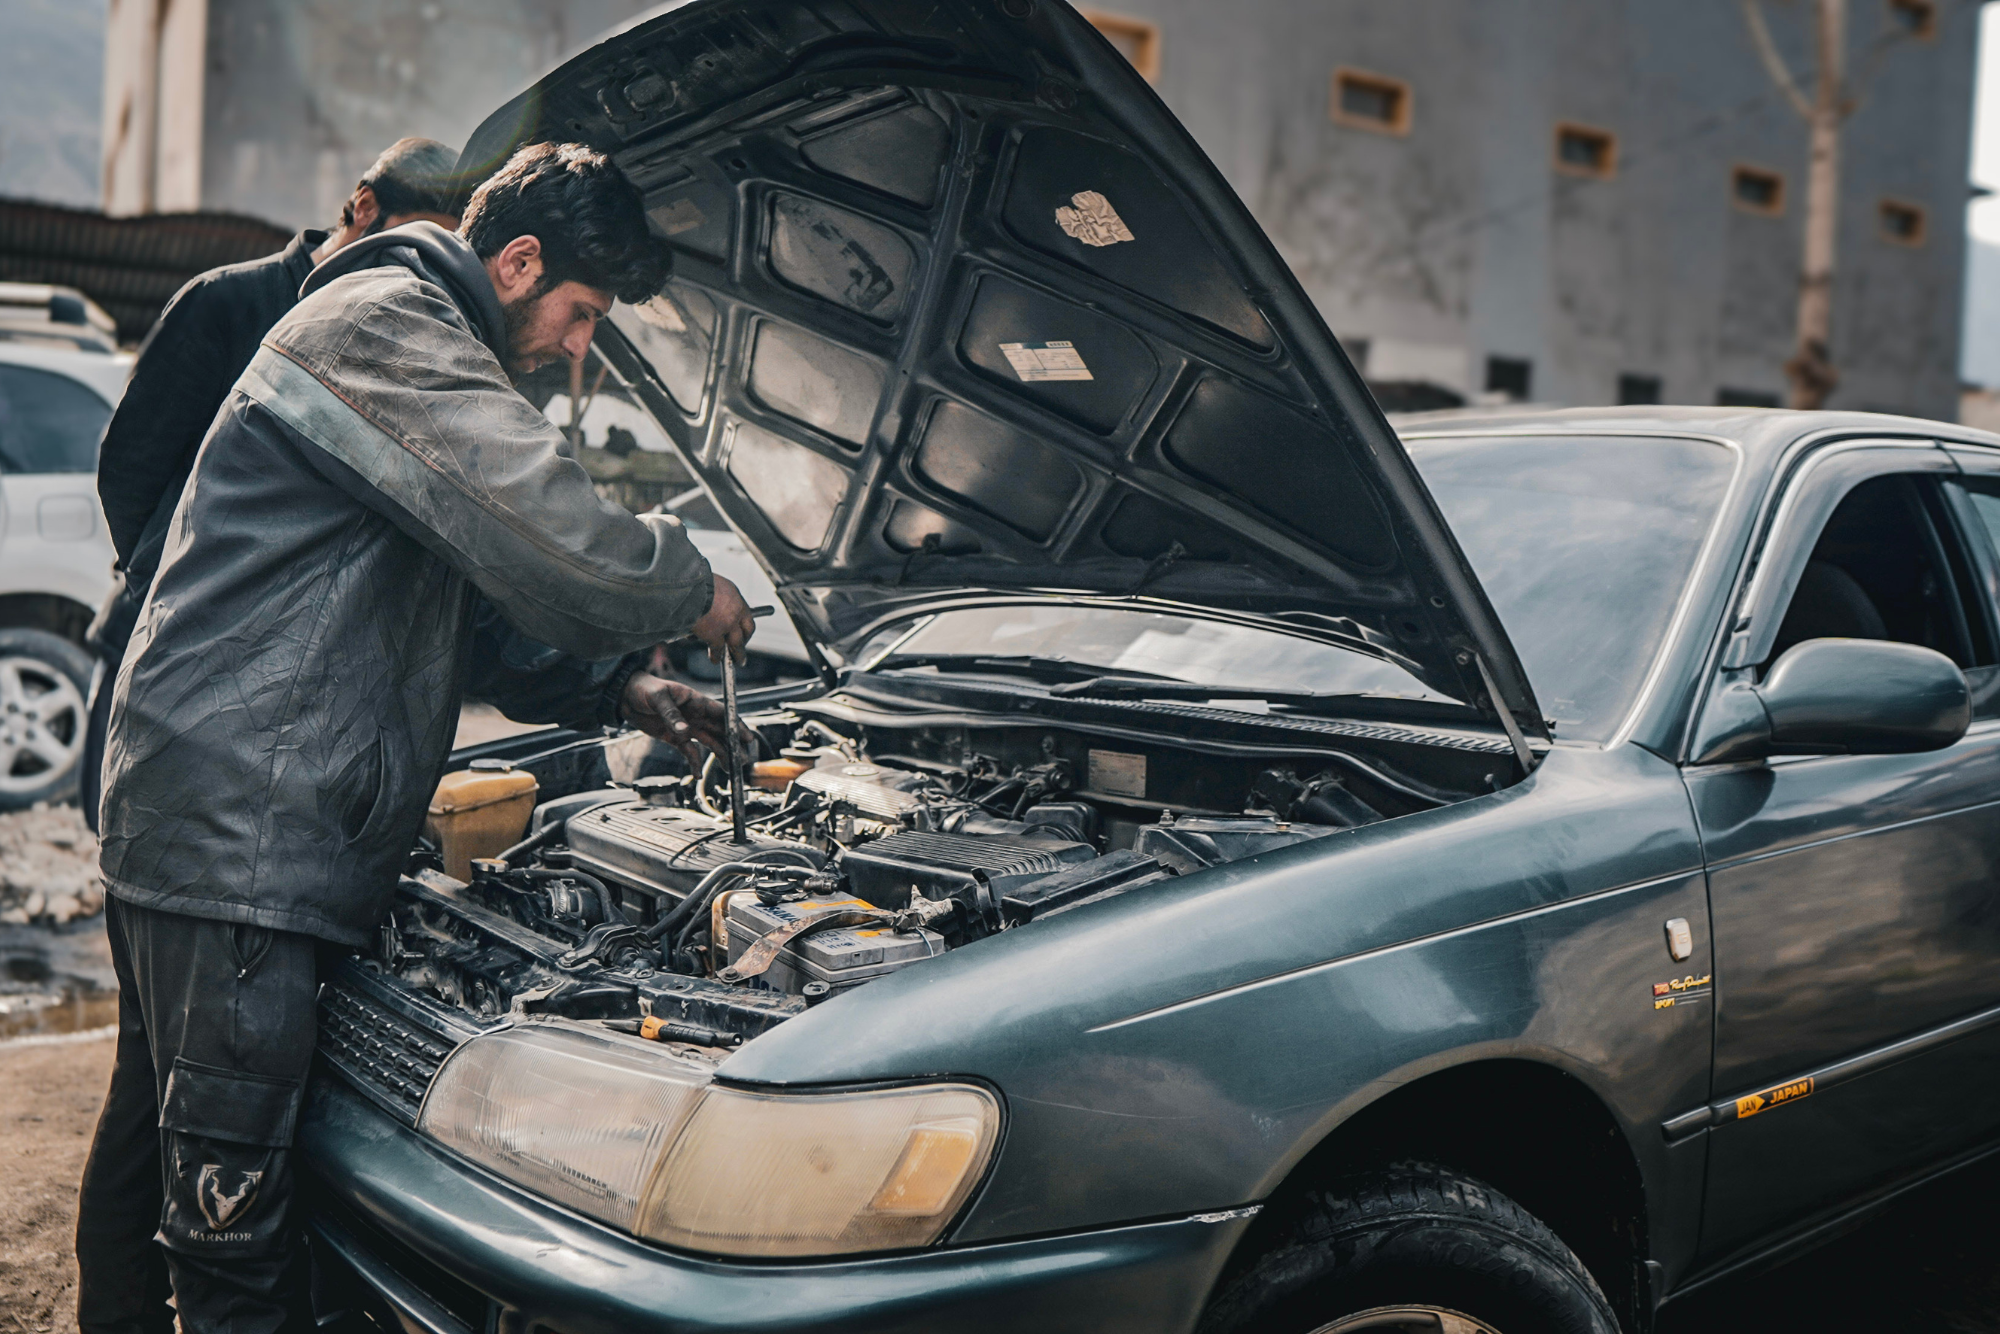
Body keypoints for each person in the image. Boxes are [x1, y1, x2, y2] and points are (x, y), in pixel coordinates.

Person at [75, 141, 758, 1333]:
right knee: (232, 1218)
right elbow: (553, 537)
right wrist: (690, 589)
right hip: (248, 832)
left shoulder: (401, 337)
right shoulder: (388, 324)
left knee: (162, 1140)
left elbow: (481, 617)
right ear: (519, 260)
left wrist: (625, 695)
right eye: (581, 311)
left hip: (207, 805)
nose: (578, 343)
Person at [83, 138, 471, 832]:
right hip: (161, 635)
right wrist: (175, 593)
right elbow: (131, 467)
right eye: (411, 242)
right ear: (363, 206)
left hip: (278, 686)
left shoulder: (397, 333)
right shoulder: (226, 300)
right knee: (129, 835)